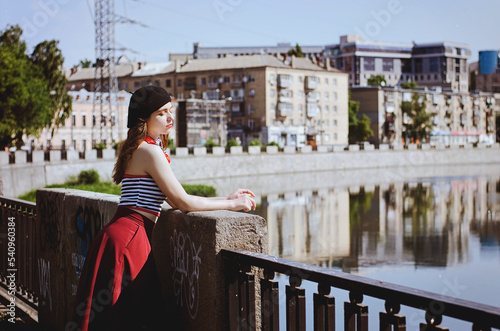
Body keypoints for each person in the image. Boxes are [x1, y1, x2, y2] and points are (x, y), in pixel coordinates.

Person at [70, 86, 256, 330]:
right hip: (130, 238)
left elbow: (173, 197)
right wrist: (233, 204)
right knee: (135, 314)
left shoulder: (139, 147)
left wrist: (225, 197)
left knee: (118, 316)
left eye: (170, 110)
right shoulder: (150, 151)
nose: (170, 117)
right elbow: (182, 203)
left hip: (122, 235)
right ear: (144, 119)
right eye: (161, 113)